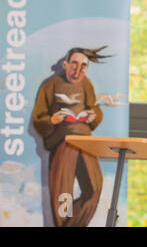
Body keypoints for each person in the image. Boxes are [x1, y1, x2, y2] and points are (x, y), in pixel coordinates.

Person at [32, 46, 110, 227]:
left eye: (83, 66)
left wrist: (93, 115)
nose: (78, 70)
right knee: (63, 196)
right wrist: (51, 120)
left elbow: (94, 110)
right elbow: (39, 118)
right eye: (74, 64)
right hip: (63, 143)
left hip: (85, 141)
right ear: (66, 65)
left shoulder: (87, 84)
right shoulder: (49, 85)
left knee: (94, 189)